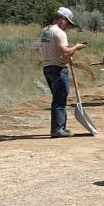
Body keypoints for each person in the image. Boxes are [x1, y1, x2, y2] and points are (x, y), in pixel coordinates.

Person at [40, 7, 86, 138]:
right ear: (62, 19)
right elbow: (65, 51)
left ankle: (61, 126)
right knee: (60, 99)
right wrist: (77, 47)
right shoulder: (59, 32)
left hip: (48, 67)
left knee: (59, 98)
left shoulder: (46, 30)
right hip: (58, 68)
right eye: (68, 23)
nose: (68, 26)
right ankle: (57, 129)